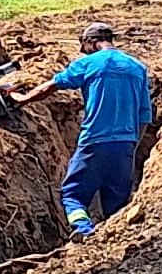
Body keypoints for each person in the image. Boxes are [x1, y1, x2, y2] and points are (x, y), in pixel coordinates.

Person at [45, 21, 152, 237]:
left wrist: (21, 99)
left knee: (72, 196)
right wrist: (132, 146)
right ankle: (113, 240)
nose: (82, 53)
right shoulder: (138, 67)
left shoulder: (89, 63)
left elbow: (52, 85)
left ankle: (83, 230)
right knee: (118, 206)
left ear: (91, 42)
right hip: (125, 146)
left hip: (94, 141)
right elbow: (144, 115)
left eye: (83, 47)